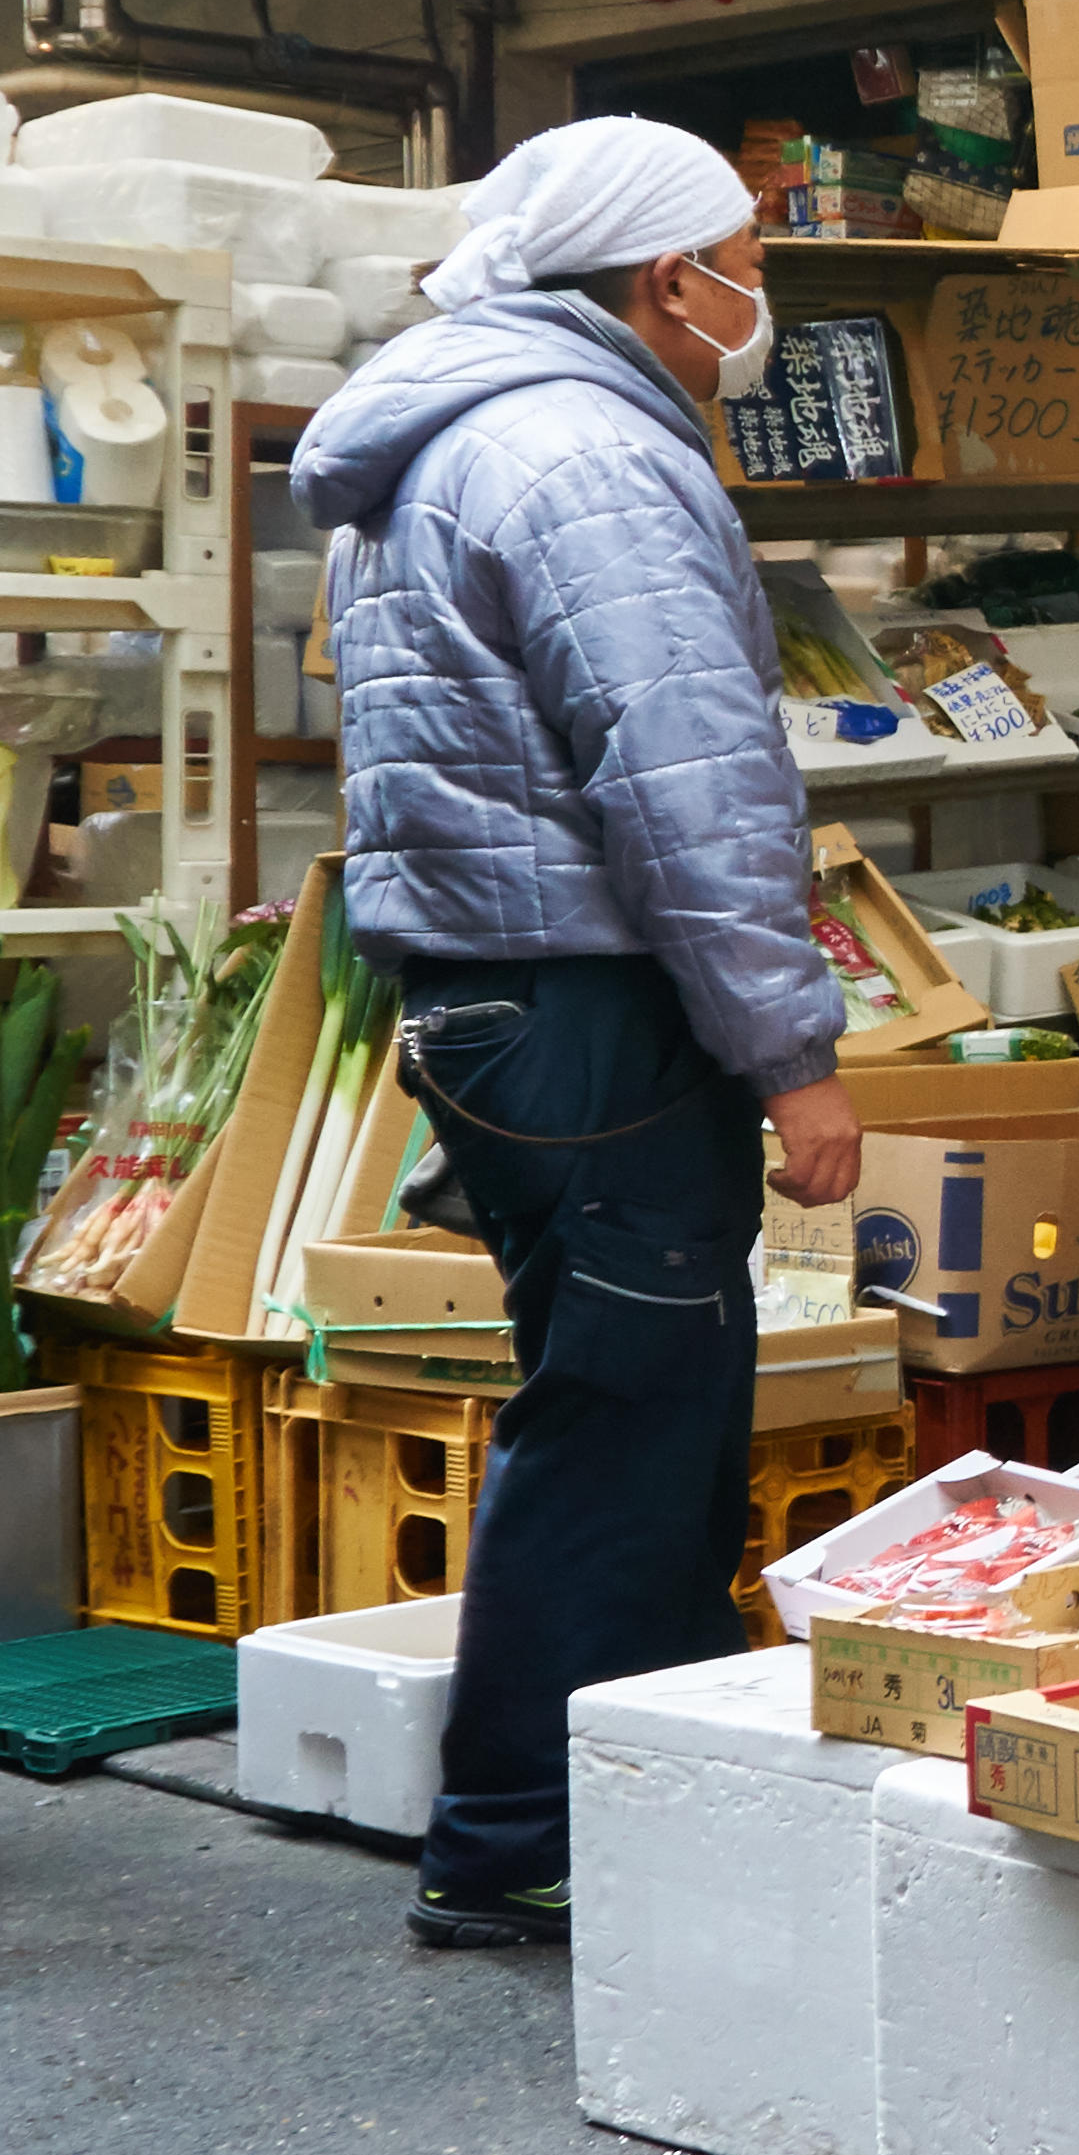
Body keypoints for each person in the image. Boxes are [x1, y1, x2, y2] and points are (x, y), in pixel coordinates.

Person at [295, 119, 861, 1951]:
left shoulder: (461, 430)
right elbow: (684, 782)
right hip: (591, 999)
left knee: (622, 1396)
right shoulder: (587, 452)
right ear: (653, 277)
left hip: (497, 993)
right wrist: (793, 1052)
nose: (755, 286)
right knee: (627, 1417)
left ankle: (645, 1788)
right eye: (740, 250)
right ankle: (526, 1834)